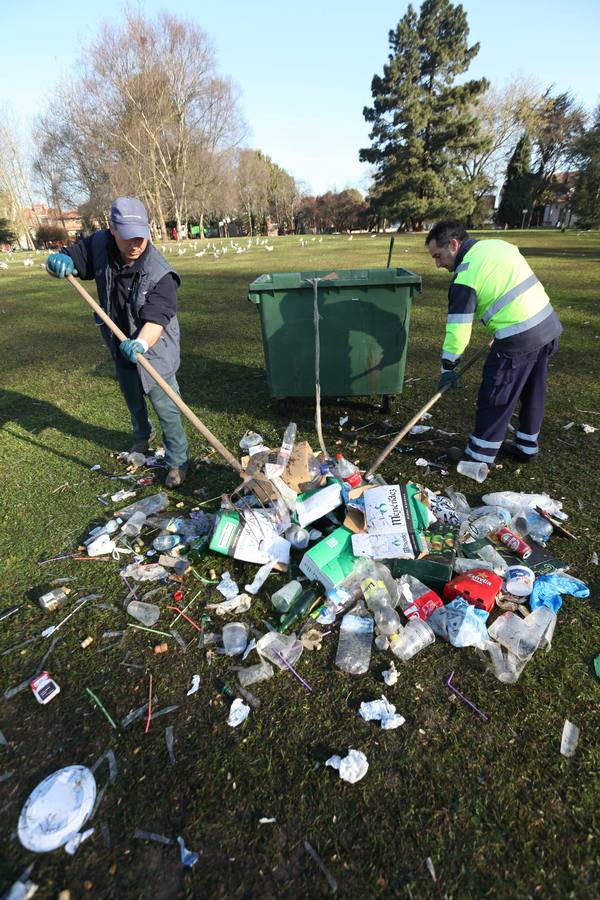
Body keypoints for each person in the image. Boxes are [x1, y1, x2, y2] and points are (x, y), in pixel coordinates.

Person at [46, 197, 189, 488]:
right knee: (132, 397)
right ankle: (141, 436)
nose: (136, 244)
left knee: (167, 407)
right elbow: (72, 258)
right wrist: (57, 262)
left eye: (141, 237)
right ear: (112, 229)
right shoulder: (99, 244)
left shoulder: (162, 274)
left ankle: (178, 460)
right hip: (117, 340)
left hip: (154, 347)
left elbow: (157, 319)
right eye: (128, 237)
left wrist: (142, 344)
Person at [426, 220, 562, 468]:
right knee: (533, 390)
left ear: (454, 245)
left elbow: (458, 330)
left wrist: (448, 367)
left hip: (518, 336)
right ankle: (526, 447)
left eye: (438, 255)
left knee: (496, 393)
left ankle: (478, 458)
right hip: (548, 324)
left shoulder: (465, 275)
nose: (438, 264)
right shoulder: (497, 246)